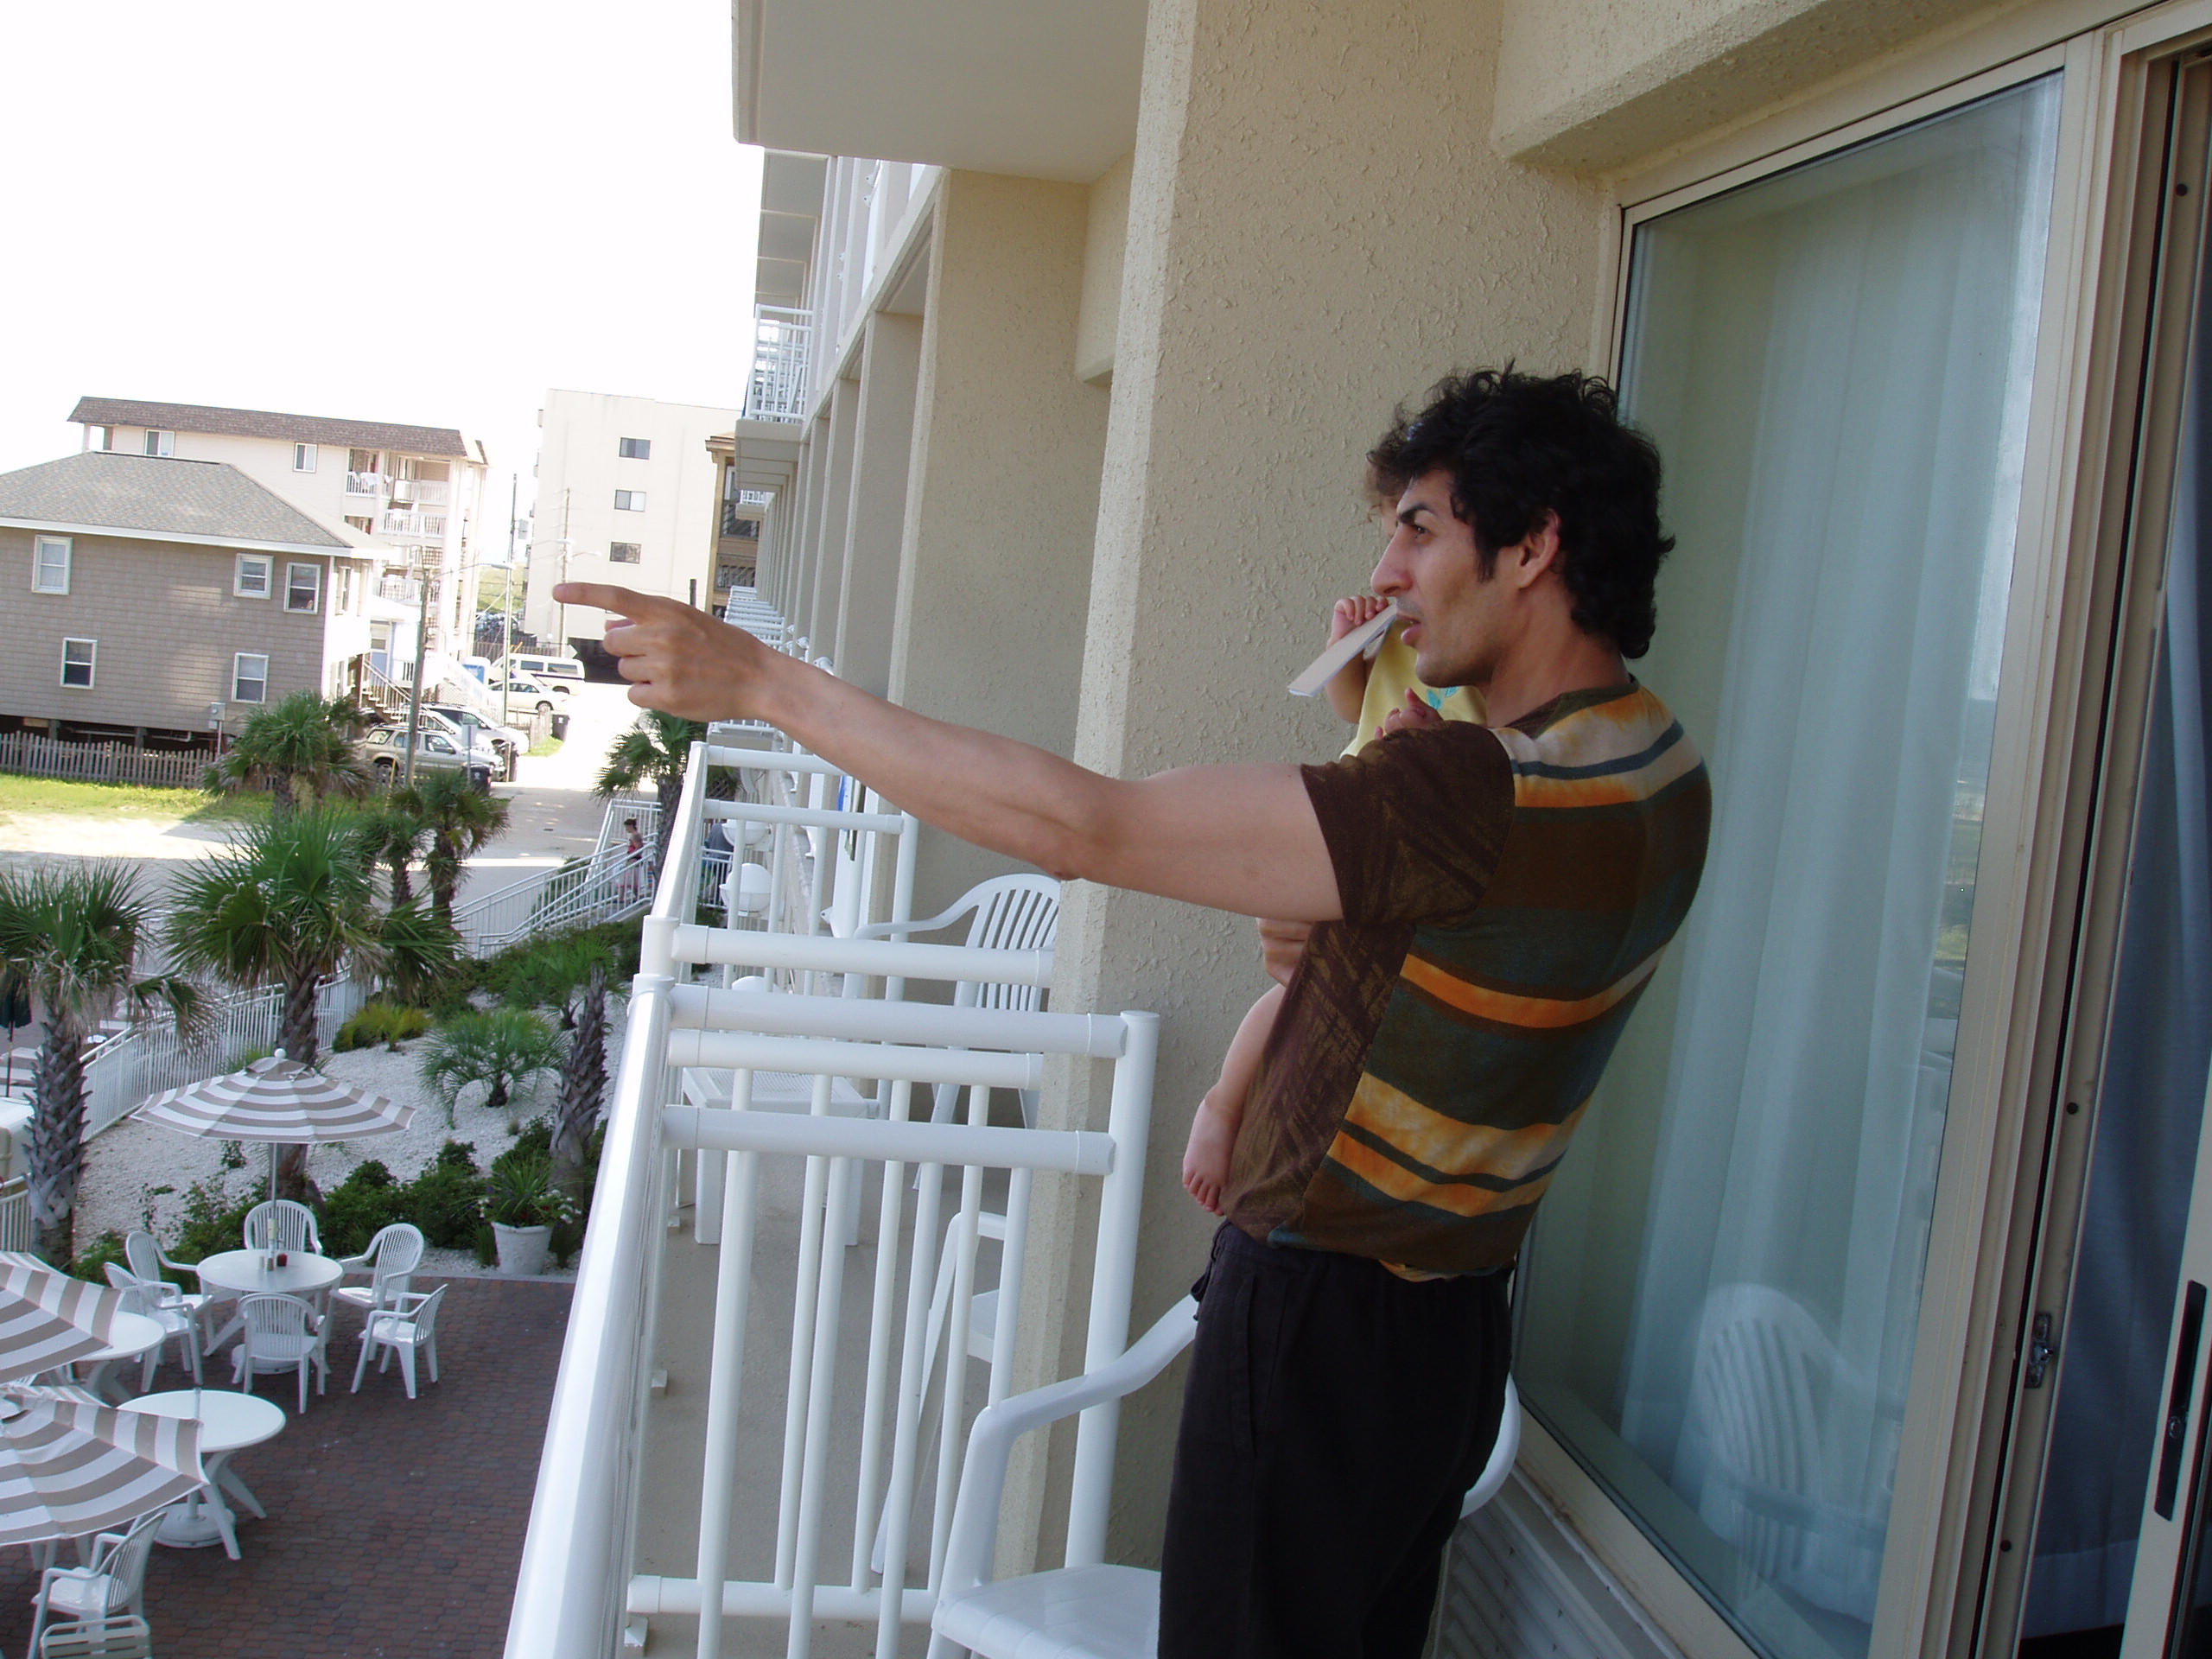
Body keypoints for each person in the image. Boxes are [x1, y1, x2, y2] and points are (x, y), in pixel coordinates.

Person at [553, 366, 1711, 1659]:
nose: (1386, 572)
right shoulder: (1659, 771)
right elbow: (1491, 934)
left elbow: (1083, 826)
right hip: (1455, 1330)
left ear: (1534, 546)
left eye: (1421, 530)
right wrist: (1348, 924)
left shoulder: (1465, 797)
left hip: (1323, 1323)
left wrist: (765, 684)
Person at [1182, 590, 1484, 1215]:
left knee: (1364, 1002)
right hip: (1359, 820)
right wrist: (1345, 648)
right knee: (1303, 987)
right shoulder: (1404, 624)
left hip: (1427, 839)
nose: (1390, 569)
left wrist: (1435, 751)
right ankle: (1223, 1103)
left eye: (1420, 540)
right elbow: (1353, 706)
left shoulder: (1487, 640)